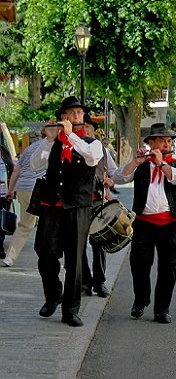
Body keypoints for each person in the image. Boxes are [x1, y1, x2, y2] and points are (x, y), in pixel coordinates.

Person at [30, 96, 103, 327]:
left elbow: (91, 159)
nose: (75, 116)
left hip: (77, 207)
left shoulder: (91, 143)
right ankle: (53, 295)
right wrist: (49, 141)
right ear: (62, 117)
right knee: (45, 253)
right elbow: (34, 165)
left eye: (79, 113)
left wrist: (70, 135)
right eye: (70, 113)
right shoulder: (53, 143)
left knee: (75, 259)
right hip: (52, 206)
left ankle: (70, 309)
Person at [112, 123, 176, 324]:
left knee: (168, 268)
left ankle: (162, 309)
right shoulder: (142, 163)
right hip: (144, 224)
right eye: (162, 140)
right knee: (139, 265)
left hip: (170, 223)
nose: (167, 144)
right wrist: (135, 162)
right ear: (151, 143)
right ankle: (140, 299)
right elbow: (118, 178)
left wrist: (163, 164)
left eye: (169, 141)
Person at [80, 114, 118, 297]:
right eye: (84, 127)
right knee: (79, 245)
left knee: (99, 241)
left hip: (96, 200)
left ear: (94, 131)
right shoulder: (74, 147)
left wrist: (110, 181)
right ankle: (85, 282)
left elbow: (113, 171)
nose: (86, 130)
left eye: (89, 127)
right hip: (77, 203)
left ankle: (100, 281)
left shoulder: (103, 151)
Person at [2, 130, 46, 267]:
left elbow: (16, 170)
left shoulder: (28, 149)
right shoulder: (51, 147)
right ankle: (47, 257)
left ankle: (10, 257)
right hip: (39, 189)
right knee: (48, 224)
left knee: (25, 225)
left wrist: (10, 190)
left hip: (23, 188)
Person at [0, 143, 16, 260]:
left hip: (4, 193)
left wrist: (11, 189)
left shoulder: (3, 149)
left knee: (1, 220)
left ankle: (0, 246)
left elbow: (11, 168)